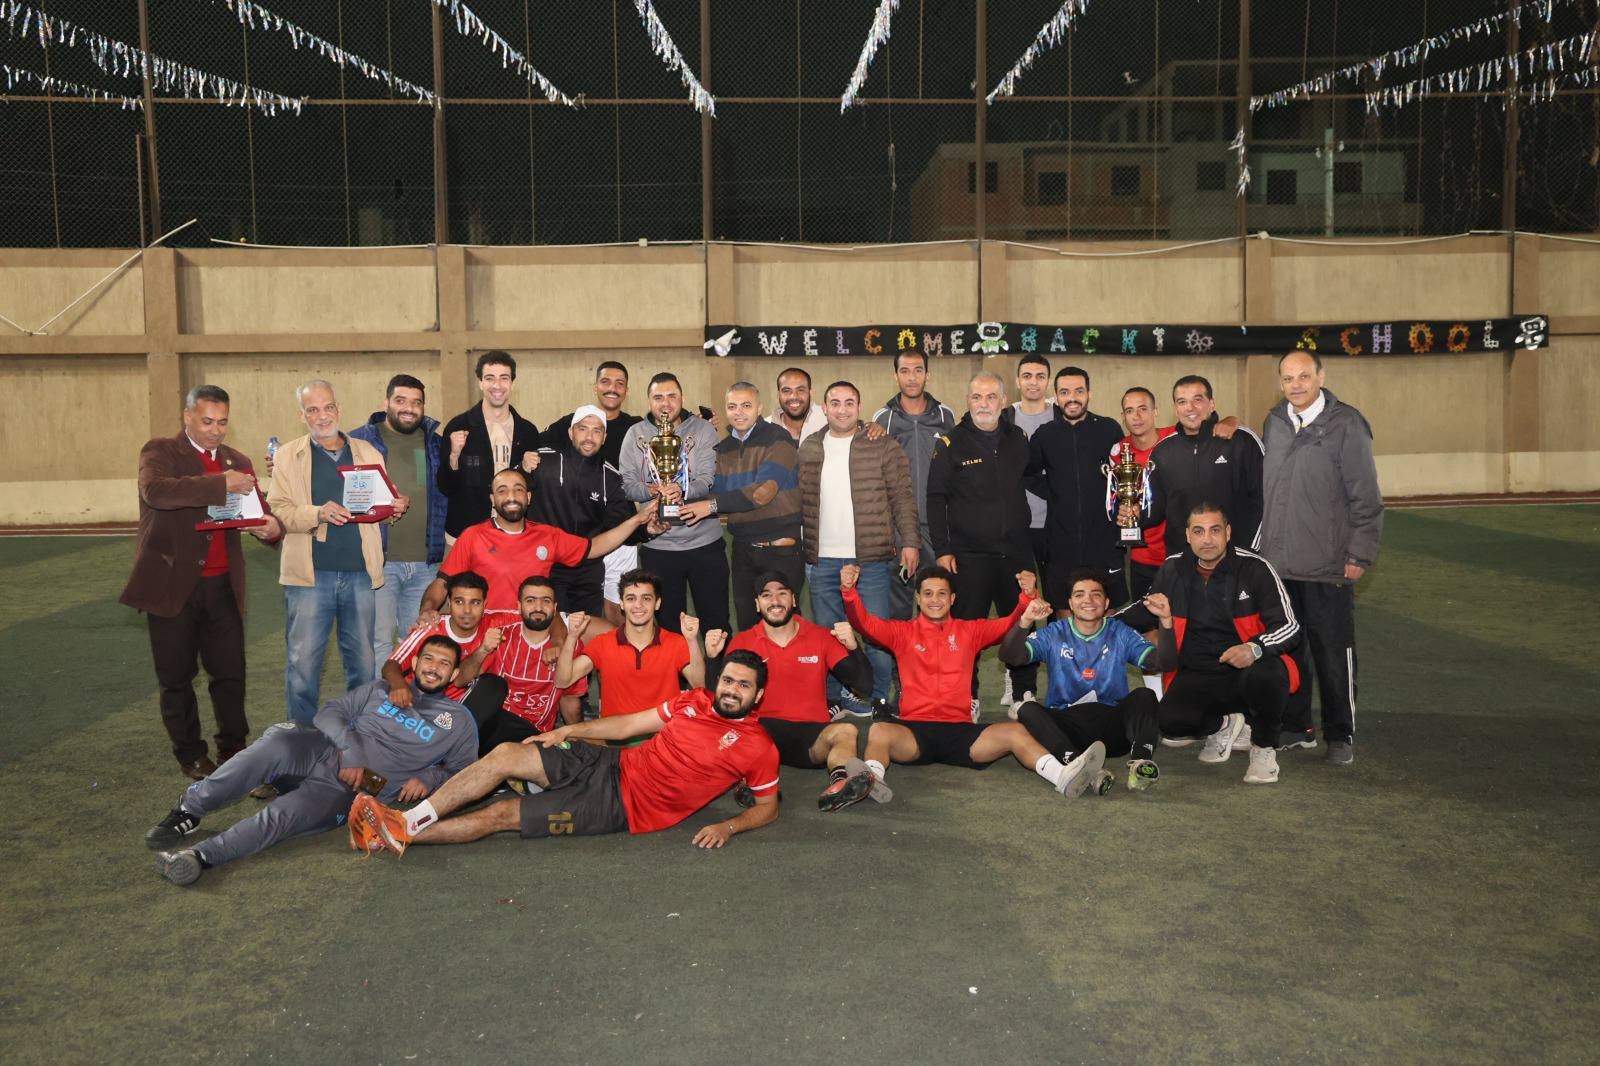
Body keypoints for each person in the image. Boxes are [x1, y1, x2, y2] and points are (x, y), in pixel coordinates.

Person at [350, 649, 780, 853]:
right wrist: (568, 730)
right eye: (728, 680)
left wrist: (729, 827)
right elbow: (629, 725)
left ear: (757, 695)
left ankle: (397, 833)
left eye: (743, 686)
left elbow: (768, 807)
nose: (732, 690)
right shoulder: (694, 701)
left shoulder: (757, 747)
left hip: (620, 807)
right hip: (611, 762)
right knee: (506, 753)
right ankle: (408, 820)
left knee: (502, 814)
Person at [145, 635, 477, 886]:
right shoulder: (380, 688)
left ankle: (198, 856)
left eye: (443, 663)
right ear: (415, 661)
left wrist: (431, 778)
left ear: (455, 673)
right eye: (428, 658)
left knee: (282, 816)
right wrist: (351, 751)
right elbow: (330, 713)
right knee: (275, 741)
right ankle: (189, 809)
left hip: (361, 785)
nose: (433, 668)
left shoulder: (458, 720)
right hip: (328, 748)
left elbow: (466, 772)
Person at [121, 384, 283, 781]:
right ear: (187, 417)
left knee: (230, 675)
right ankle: (190, 753)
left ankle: (234, 750)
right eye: (207, 421)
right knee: (176, 678)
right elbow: (156, 492)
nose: (215, 430)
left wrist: (271, 529)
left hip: (223, 587)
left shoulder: (237, 461)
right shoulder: (160, 452)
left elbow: (257, 512)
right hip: (171, 586)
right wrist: (221, 483)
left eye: (222, 422)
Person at [842, 563, 1108, 798]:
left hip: (962, 732)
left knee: (1015, 732)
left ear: (952, 599)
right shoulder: (901, 633)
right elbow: (864, 623)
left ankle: (1062, 777)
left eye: (942, 594)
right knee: (879, 730)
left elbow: (1009, 625)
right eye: (928, 594)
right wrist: (849, 591)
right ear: (918, 599)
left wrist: (1027, 597)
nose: (935, 600)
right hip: (913, 732)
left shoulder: (970, 631)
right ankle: (871, 779)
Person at [1256, 351, 1383, 766]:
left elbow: (1366, 497)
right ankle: (1297, 727)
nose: (1295, 384)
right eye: (1288, 378)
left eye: (1304, 376)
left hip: (1328, 564)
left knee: (1333, 654)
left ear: (1321, 377)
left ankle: (1340, 733)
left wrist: (1359, 553)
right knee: (1288, 653)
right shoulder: (1275, 421)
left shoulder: (1347, 424)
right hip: (1280, 565)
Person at [1116, 502, 1300, 785]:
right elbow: (1146, 608)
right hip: (1197, 672)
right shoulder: (1174, 567)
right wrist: (1096, 624)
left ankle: (1263, 748)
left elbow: (1290, 626)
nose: (1207, 539)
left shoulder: (1255, 568)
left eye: (1215, 530)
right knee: (1169, 723)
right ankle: (1225, 725)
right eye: (1199, 531)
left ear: (1228, 532)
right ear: (1188, 535)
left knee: (1269, 674)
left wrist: (1254, 648)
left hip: (1247, 670)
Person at [268, 380, 403, 724]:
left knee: (363, 665)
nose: (322, 416)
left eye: (328, 407)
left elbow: (380, 505)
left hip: (360, 573)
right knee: (303, 666)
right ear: (302, 415)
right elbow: (279, 511)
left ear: (338, 409)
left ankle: (360, 732)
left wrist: (394, 506)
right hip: (309, 577)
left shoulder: (368, 452)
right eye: (312, 409)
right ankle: (302, 738)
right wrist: (317, 513)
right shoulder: (287, 456)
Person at [708, 572, 879, 811]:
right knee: (739, 730)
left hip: (811, 737)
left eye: (782, 593)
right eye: (766, 595)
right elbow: (720, 703)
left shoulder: (821, 637)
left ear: (794, 599)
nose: (775, 601)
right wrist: (713, 659)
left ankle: (840, 785)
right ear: (757, 604)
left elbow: (863, 686)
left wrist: (853, 647)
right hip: (762, 734)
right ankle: (751, 784)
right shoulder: (743, 642)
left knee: (847, 730)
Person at [800, 381, 920, 716]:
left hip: (870, 559)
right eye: (835, 402)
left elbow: (902, 497)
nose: (842, 409)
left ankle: (878, 698)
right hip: (822, 560)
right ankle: (834, 697)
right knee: (829, 635)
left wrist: (910, 541)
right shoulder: (810, 447)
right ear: (824, 408)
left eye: (849, 402)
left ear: (859, 406)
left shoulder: (881, 444)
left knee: (876, 634)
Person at [1000, 568, 1175, 792]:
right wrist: (1025, 621)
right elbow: (1011, 657)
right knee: (1026, 708)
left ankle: (1141, 762)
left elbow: (1163, 664)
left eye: (1096, 594)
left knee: (1145, 695)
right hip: (1068, 730)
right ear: (1070, 604)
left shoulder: (1120, 632)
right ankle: (1076, 763)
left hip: (1114, 729)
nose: (1088, 600)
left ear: (1106, 602)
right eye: (1079, 594)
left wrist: (1166, 621)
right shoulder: (1054, 632)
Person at [926, 372, 1036, 718]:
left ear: (1003, 401)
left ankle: (1022, 690)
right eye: (976, 397)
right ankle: (967, 695)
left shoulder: (1018, 438)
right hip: (969, 556)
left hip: (1016, 553)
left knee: (1023, 622)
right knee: (965, 631)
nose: (983, 404)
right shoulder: (950, 443)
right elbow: (935, 498)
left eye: (990, 397)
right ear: (968, 401)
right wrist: (942, 549)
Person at [419, 466, 659, 616]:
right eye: (502, 491)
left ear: (529, 496)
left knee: (608, 637)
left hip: (537, 625)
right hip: (487, 629)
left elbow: (594, 547)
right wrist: (428, 609)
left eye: (518, 489)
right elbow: (442, 583)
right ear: (492, 499)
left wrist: (637, 519)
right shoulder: (473, 536)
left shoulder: (546, 535)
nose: (511, 496)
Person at [677, 381, 803, 631]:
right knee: (748, 628)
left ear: (759, 408)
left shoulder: (779, 438)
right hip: (743, 551)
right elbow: (714, 492)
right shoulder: (723, 448)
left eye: (746, 405)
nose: (739, 412)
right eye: (732, 406)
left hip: (781, 551)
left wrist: (710, 506)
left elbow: (762, 492)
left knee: (786, 629)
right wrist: (673, 502)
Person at [349, 374, 448, 673]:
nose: (409, 408)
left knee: (417, 640)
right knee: (377, 641)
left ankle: (410, 699)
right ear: (386, 402)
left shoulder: (435, 443)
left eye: (416, 402)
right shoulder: (358, 441)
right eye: (401, 400)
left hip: (425, 563)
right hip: (379, 562)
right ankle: (379, 699)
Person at [617, 372, 727, 634]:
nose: (665, 403)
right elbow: (626, 484)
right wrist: (652, 489)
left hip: (705, 544)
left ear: (682, 398)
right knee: (668, 630)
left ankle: (717, 664)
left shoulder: (703, 430)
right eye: (658, 397)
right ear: (649, 401)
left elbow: (708, 479)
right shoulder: (636, 434)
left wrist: (681, 489)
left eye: (671, 396)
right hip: (659, 546)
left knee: (716, 624)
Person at [541, 363, 643, 623]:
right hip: (557, 555)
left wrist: (648, 529)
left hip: (607, 540)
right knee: (553, 625)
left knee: (607, 615)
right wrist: (526, 462)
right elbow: (532, 449)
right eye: (606, 381)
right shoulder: (558, 440)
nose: (589, 436)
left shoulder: (636, 427)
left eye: (597, 431)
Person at [1026, 366, 1126, 608]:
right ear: (1056, 396)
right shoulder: (1045, 434)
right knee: (1065, 612)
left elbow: (1124, 474)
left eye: (1079, 391)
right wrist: (1055, 493)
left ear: (1089, 393)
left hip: (1104, 541)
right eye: (1065, 392)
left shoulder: (1109, 429)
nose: (1072, 398)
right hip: (1061, 542)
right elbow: (1028, 474)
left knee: (1106, 612)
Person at [554, 569, 707, 717]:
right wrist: (572, 636)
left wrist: (692, 640)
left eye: (646, 598)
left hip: (663, 732)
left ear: (657, 603)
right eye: (631, 598)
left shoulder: (675, 642)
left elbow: (699, 684)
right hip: (616, 733)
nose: (638, 605)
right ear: (621, 603)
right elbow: (562, 681)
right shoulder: (602, 643)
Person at [872, 350, 956, 619]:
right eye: (905, 371)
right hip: (899, 529)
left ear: (927, 375)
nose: (912, 377)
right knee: (898, 608)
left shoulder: (945, 416)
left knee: (937, 603)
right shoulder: (882, 419)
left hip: (937, 527)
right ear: (895, 376)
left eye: (918, 370)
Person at [1143, 375, 1264, 558]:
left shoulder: (1242, 441)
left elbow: (1266, 499)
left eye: (1197, 399)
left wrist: (1250, 550)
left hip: (1236, 558)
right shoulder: (1162, 452)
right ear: (1175, 408)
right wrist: (1133, 514)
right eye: (1182, 402)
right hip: (1182, 560)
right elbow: (1155, 509)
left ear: (1212, 403)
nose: (1190, 407)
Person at [437, 351, 541, 541]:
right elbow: (445, 487)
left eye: (504, 378)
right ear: (480, 382)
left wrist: (526, 470)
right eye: (489, 378)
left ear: (512, 383)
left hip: (513, 536)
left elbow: (533, 489)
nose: (497, 385)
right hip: (465, 536)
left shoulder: (528, 431)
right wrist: (453, 456)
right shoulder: (458, 426)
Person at [999, 354, 1053, 712]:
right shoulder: (1004, 417)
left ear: (1047, 381)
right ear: (1018, 381)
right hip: (1014, 527)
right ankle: (1017, 673)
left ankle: (1065, 676)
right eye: (1027, 376)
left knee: (1058, 604)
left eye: (1040, 376)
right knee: (1019, 604)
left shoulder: (1061, 414)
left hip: (1054, 525)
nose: (1033, 382)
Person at [380, 570, 513, 704]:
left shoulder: (495, 623)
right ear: (449, 602)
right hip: (414, 699)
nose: (467, 610)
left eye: (475, 602)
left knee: (494, 685)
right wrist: (399, 685)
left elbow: (525, 612)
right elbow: (392, 664)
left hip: (456, 708)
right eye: (459, 602)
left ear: (484, 604)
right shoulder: (431, 626)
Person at [540, 360, 642, 469]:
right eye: (605, 382)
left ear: (626, 391)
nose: (612, 388)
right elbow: (536, 446)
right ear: (595, 387)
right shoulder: (572, 422)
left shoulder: (637, 427)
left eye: (620, 383)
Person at [768, 366, 827, 443]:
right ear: (778, 395)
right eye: (786, 391)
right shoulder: (764, 429)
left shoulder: (827, 421)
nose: (794, 396)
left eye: (800, 390)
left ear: (810, 393)